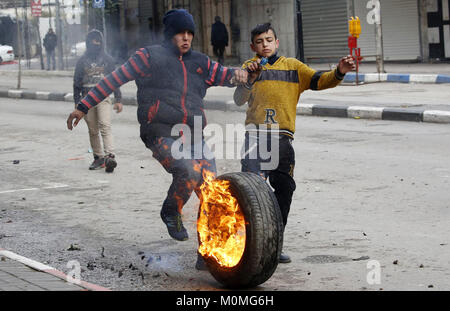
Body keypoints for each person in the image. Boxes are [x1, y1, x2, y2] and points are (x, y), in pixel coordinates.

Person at [67, 9, 248, 268]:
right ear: (169, 34)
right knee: (188, 170)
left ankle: (208, 253)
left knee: (212, 194)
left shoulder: (200, 61)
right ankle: (171, 210)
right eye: (180, 33)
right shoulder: (148, 57)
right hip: (160, 132)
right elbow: (113, 79)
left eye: (189, 33)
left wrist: (242, 74)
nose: (186, 38)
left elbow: (225, 75)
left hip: (194, 133)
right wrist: (83, 106)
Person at [233, 23, 356, 264]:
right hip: (255, 139)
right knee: (251, 194)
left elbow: (320, 80)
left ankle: (273, 245)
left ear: (277, 42)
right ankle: (241, 247)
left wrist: (339, 71)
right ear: (252, 46)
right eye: (259, 41)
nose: (265, 45)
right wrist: (249, 80)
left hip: (282, 140)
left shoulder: (293, 67)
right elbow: (238, 99)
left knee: (285, 190)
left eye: (269, 40)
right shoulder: (249, 67)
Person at [73, 29, 123, 172]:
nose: (96, 44)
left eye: (98, 41)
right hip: (87, 99)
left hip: (103, 97)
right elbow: (76, 83)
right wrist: (77, 103)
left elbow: (115, 80)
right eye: (93, 41)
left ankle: (110, 157)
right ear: (88, 43)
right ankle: (98, 157)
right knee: (93, 129)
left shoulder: (108, 60)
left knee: (105, 125)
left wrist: (118, 99)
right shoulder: (82, 61)